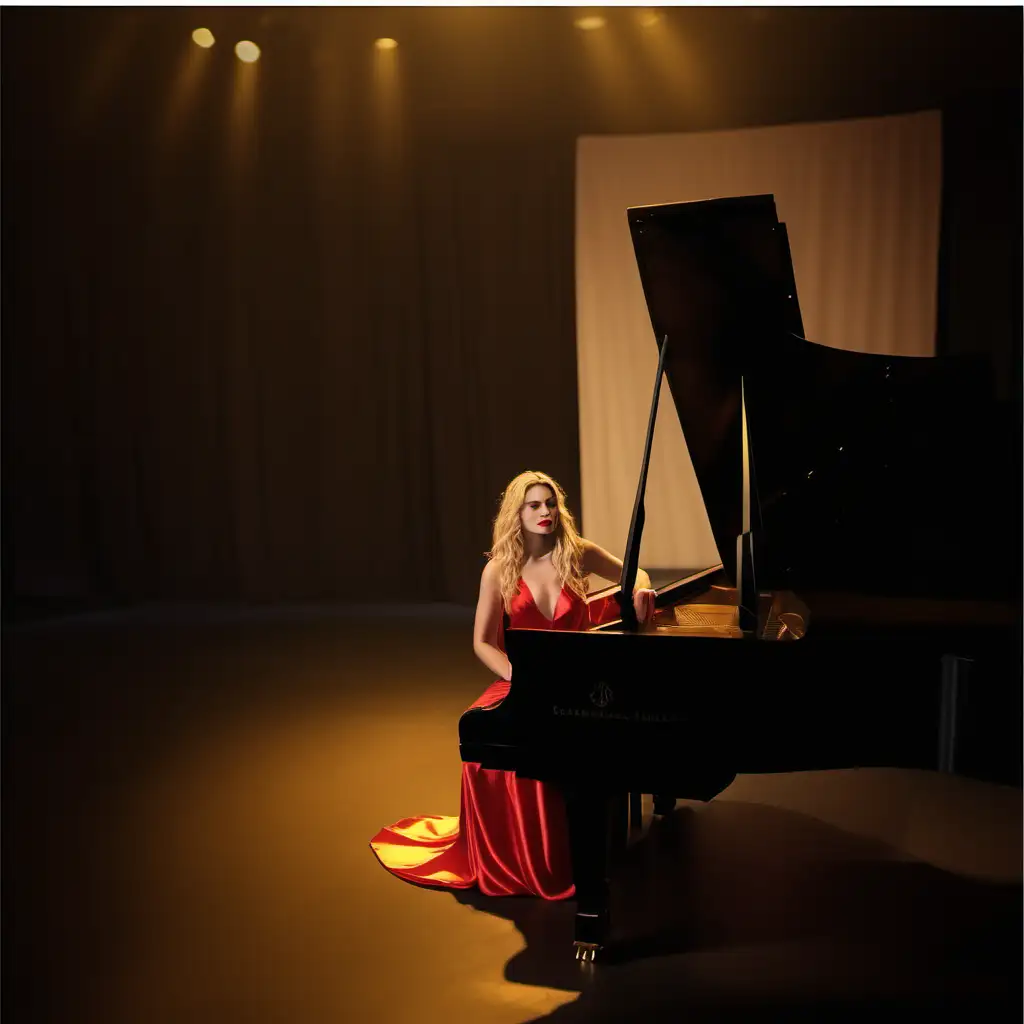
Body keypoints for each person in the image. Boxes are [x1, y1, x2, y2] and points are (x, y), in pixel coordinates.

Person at [369, 470, 657, 899]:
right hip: (522, 681)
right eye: (533, 505)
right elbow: (482, 642)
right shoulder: (498, 570)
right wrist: (516, 676)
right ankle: (522, 859)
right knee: (496, 738)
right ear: (517, 513)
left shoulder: (578, 554)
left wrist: (640, 591)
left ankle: (584, 848)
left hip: (578, 683)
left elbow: (639, 574)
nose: (545, 513)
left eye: (550, 504)